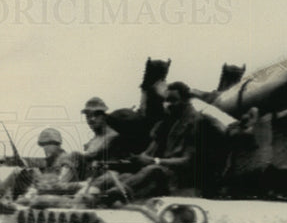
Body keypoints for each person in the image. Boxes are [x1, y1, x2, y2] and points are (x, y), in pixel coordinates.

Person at [85, 82, 220, 205]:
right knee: (125, 175)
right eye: (166, 100)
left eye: (173, 100)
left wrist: (156, 161)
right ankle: (93, 193)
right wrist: (124, 162)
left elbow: (189, 161)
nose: (168, 104)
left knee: (154, 171)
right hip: (161, 175)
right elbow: (148, 154)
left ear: (186, 101)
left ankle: (109, 196)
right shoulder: (164, 124)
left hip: (183, 180)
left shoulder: (198, 123)